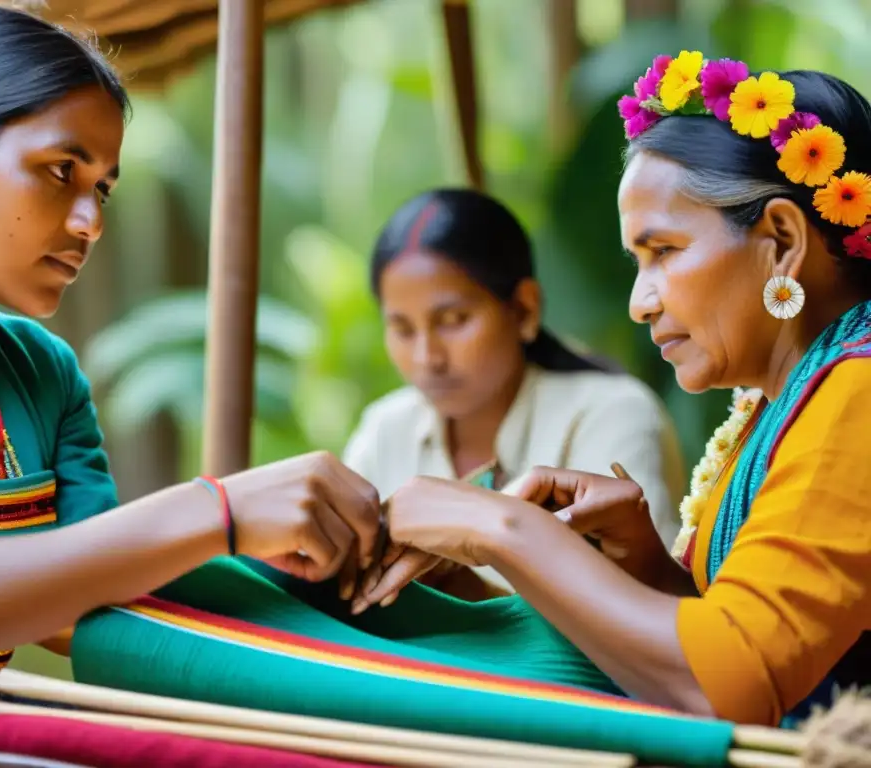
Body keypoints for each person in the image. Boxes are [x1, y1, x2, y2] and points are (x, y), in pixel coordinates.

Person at [0, 5, 380, 710]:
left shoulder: (43, 372)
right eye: (60, 169)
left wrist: (314, 553)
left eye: (101, 187)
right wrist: (221, 512)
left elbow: (86, 603)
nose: (90, 222)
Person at [356, 55, 871, 727]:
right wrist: (648, 568)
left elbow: (735, 681)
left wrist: (502, 528)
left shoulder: (858, 390)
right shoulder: (782, 402)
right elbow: (749, 628)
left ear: (780, 239)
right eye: (638, 262)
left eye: (663, 252)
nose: (639, 302)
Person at [342, 188, 684, 600]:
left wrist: (468, 591)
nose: (426, 357)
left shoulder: (611, 416)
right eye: (402, 329)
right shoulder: (385, 430)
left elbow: (647, 611)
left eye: (453, 320)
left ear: (524, 309)